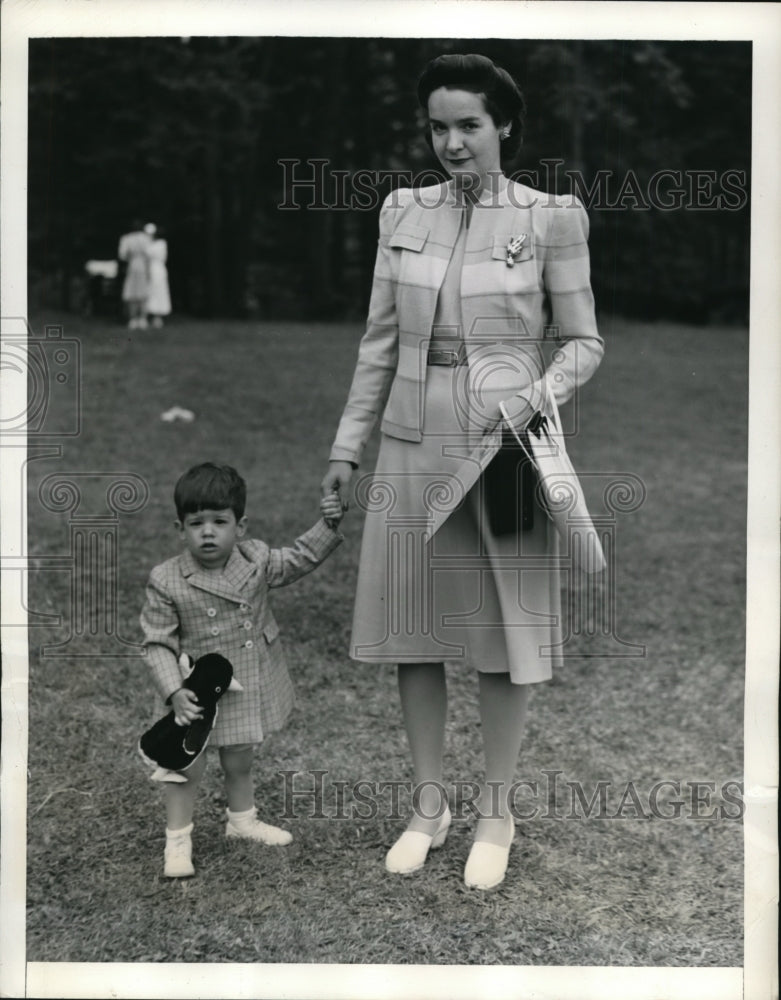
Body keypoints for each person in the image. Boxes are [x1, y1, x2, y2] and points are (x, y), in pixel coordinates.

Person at [321, 53, 604, 890]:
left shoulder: (551, 216)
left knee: (499, 638)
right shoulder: (400, 211)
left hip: (502, 444)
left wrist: (535, 396)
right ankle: (427, 806)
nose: (450, 141)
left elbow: (584, 341)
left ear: (503, 125)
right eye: (438, 125)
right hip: (410, 440)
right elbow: (378, 344)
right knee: (415, 632)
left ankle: (495, 812)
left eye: (468, 125)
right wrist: (345, 447)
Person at [140, 462, 345, 878]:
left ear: (241, 526)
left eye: (220, 521)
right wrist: (174, 691)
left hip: (245, 681)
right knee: (183, 766)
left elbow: (300, 558)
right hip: (196, 693)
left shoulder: (257, 559)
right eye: (196, 523)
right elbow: (157, 642)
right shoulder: (166, 579)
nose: (208, 532)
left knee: (240, 757)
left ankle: (242, 821)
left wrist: (328, 523)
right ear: (180, 528)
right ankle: (177, 841)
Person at [117, 218, 151, 329]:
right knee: (142, 292)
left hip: (133, 264)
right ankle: (142, 319)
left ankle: (133, 319)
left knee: (132, 292)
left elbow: (122, 255)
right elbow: (150, 253)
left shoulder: (126, 238)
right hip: (143, 265)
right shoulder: (146, 238)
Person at [143, 223, 172, 328]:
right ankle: (148, 315)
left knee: (159, 292)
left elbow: (157, 256)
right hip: (149, 269)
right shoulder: (149, 243)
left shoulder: (161, 243)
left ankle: (158, 316)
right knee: (149, 292)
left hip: (157, 270)